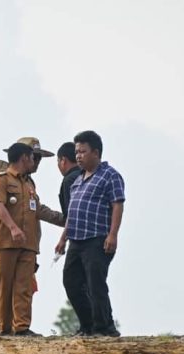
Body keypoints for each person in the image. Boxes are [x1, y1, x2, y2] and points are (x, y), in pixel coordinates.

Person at [55, 130, 125, 337]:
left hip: (98, 238)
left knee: (95, 284)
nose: (78, 156)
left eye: (82, 151)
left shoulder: (110, 175)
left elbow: (117, 205)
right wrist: (62, 239)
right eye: (76, 152)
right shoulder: (78, 180)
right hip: (76, 240)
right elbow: (72, 213)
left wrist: (113, 235)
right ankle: (88, 325)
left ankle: (104, 327)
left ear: (96, 152)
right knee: (71, 282)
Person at [0, 142, 64, 336]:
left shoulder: (29, 184)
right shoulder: (2, 180)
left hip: (28, 245)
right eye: (33, 157)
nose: (35, 162)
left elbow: (37, 209)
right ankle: (5, 329)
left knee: (24, 287)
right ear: (24, 157)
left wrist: (65, 220)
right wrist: (13, 228)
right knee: (5, 287)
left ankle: (22, 327)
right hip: (5, 244)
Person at [56, 142, 82, 217]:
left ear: (63, 160)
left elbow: (71, 213)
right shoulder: (88, 174)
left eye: (58, 161)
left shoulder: (69, 180)